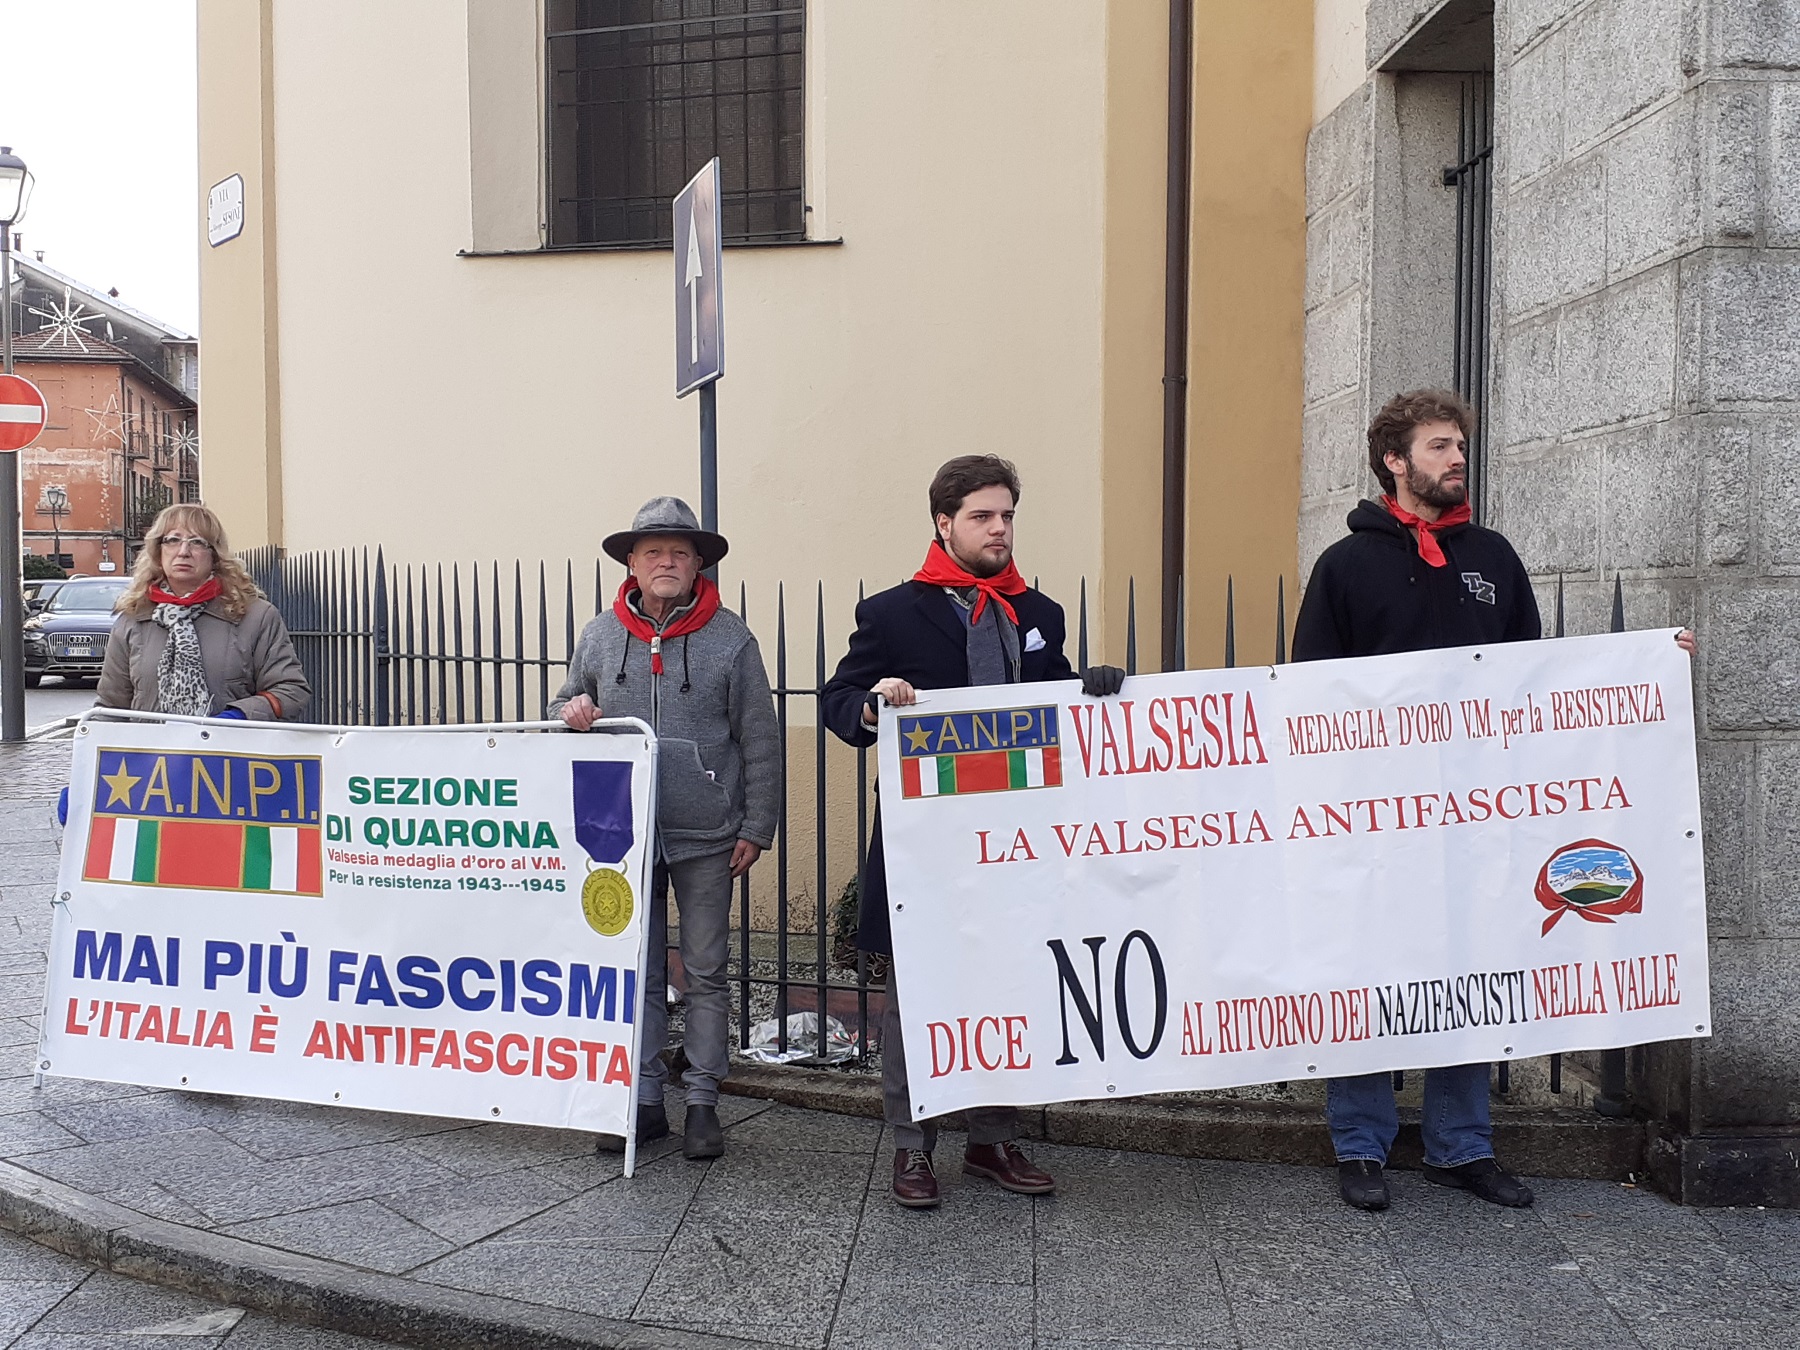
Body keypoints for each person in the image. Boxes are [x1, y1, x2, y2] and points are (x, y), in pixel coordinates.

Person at [1292, 388, 1695, 1213]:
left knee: (1471, 965)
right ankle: (1361, 1143)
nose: (1457, 459)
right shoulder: (1345, 566)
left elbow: (1534, 683)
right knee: (1365, 969)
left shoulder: (1493, 558)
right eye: (1438, 446)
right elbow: (1310, 695)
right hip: (1375, 818)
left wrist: (1648, 662)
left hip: (1478, 815)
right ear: (1394, 462)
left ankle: (1461, 1146)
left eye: (1459, 445)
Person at [822, 455, 1124, 1209]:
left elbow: (1056, 702)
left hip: (1018, 841)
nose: (999, 529)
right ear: (944, 523)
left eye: (1007, 516)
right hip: (928, 843)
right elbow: (839, 699)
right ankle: (912, 1145)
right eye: (982, 516)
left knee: (1011, 982)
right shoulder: (892, 613)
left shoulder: (1039, 613)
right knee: (918, 995)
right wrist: (873, 704)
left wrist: (1093, 689)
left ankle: (991, 1138)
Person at [550, 497, 779, 1161]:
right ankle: (645, 1099)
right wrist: (572, 709)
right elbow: (562, 703)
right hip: (622, 837)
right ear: (632, 562)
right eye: (653, 552)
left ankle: (703, 1101)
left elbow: (760, 739)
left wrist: (757, 825)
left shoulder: (732, 639)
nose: (667, 562)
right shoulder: (599, 635)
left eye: (680, 552)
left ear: (698, 563)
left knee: (706, 971)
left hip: (708, 835)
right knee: (638, 970)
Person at [98, 504, 309, 722]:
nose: (183, 552)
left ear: (215, 555)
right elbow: (110, 708)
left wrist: (239, 715)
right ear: (158, 551)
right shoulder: (133, 618)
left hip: (229, 743)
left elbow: (291, 690)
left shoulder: (255, 616)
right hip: (149, 745)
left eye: (197, 542)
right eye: (173, 540)